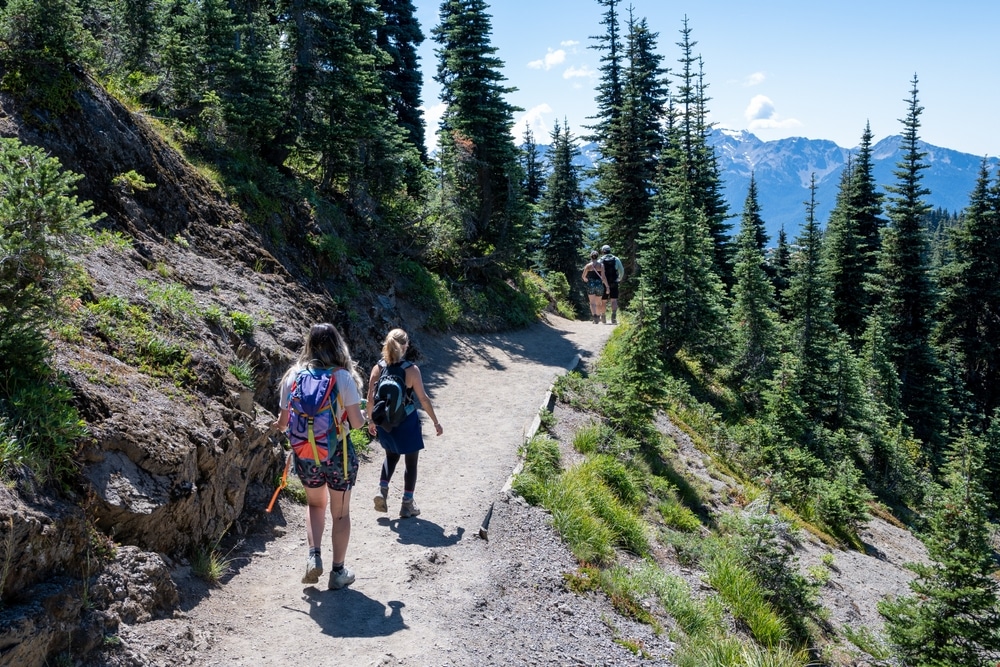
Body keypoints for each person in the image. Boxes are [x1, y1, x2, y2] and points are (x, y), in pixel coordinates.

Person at [273, 323, 366, 590]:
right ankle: (338, 572)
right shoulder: (343, 377)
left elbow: (283, 422)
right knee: (340, 513)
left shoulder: (293, 376)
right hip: (339, 455)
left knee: (315, 506)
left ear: (309, 345)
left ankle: (314, 556)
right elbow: (358, 424)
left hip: (305, 454)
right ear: (338, 345)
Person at [366, 328, 442, 518]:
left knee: (390, 457)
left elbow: (370, 399)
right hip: (406, 420)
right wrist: (435, 421)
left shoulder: (378, 368)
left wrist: (371, 421)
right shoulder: (411, 369)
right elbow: (423, 399)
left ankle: (381, 490)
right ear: (405, 345)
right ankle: (407, 504)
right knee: (411, 463)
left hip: (385, 421)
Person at [581, 250, 610, 324]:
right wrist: (607, 287)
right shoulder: (601, 265)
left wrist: (586, 279)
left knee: (592, 303)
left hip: (590, 285)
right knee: (598, 303)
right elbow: (603, 277)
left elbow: (583, 276)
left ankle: (595, 317)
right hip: (599, 285)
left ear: (591, 257)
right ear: (597, 257)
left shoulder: (588, 266)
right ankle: (598, 315)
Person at [600, 244, 625, 324]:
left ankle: (603, 317)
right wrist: (619, 279)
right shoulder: (616, 259)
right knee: (613, 300)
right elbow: (621, 270)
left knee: (603, 301)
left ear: (603, 251)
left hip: (604, 283)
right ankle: (613, 317)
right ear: (610, 250)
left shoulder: (601, 260)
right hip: (614, 282)